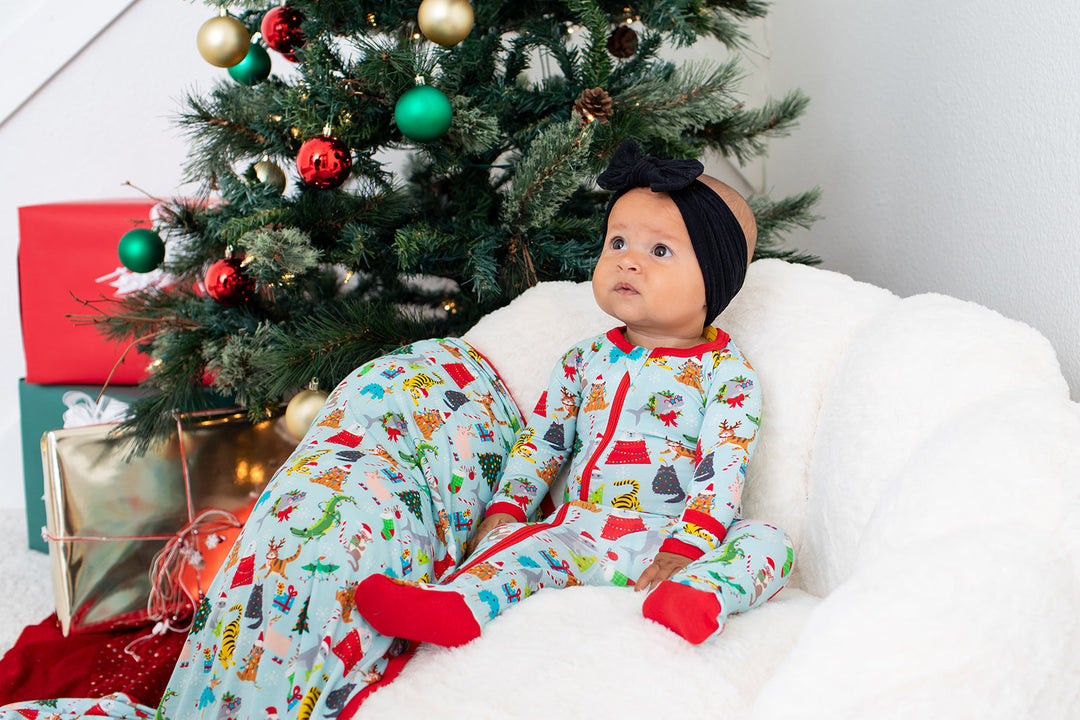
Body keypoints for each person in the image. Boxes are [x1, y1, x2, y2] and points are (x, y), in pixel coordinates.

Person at [354, 139, 794, 646]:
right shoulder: (584, 359)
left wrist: (690, 546)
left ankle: (697, 596)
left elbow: (723, 467)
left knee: (770, 542)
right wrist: (507, 509)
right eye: (618, 243)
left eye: (659, 250)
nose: (628, 262)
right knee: (522, 549)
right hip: (581, 530)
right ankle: (457, 606)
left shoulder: (727, 372)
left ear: (714, 279)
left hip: (676, 538)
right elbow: (542, 441)